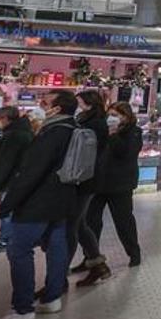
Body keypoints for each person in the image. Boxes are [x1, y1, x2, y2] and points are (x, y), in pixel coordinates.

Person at [0, 90, 77, 319]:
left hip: (39, 201)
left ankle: (22, 309)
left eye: (46, 101)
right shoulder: (73, 129)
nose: (41, 103)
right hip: (62, 199)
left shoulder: (52, 133)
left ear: (57, 108)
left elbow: (31, 173)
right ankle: (52, 297)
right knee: (57, 245)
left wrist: (8, 204)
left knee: (18, 249)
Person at [82, 101, 142, 285]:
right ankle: (91, 258)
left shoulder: (133, 132)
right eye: (111, 114)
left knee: (123, 221)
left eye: (117, 114)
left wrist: (114, 134)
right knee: (90, 222)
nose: (112, 117)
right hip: (99, 183)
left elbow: (126, 154)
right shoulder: (103, 130)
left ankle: (134, 253)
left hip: (120, 185)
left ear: (126, 116)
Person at [66, 90, 108, 278]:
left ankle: (60, 271)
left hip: (85, 178)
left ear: (88, 103)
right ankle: (96, 263)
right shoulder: (87, 119)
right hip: (84, 177)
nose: (78, 105)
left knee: (72, 225)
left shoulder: (95, 124)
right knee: (80, 223)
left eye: (80, 101)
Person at [0, 106, 34, 256]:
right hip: (18, 178)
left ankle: (5, 240)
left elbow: (5, 162)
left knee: (7, 211)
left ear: (5, 118)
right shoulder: (23, 131)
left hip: (12, 180)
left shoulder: (14, 135)